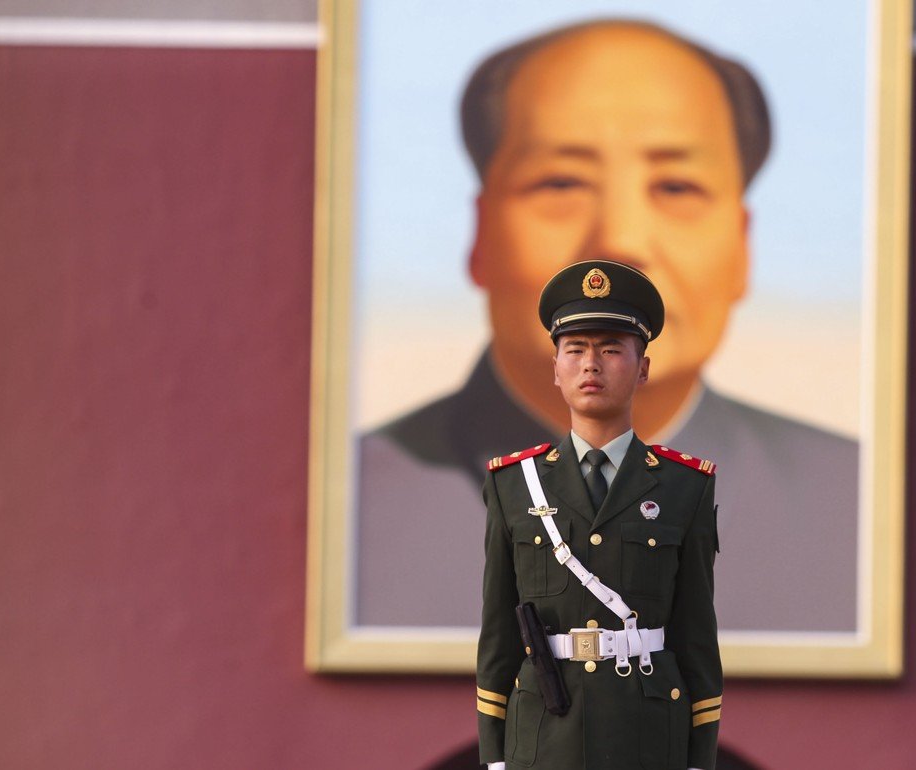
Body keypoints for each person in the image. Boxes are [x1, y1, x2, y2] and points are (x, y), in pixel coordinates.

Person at [356, 19, 859, 632]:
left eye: (677, 186)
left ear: (742, 245)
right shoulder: (356, 504)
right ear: (481, 235)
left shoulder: (852, 506)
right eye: (561, 182)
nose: (619, 239)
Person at [476, 260, 721, 770]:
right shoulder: (513, 485)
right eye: (576, 350)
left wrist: (699, 759)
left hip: (648, 738)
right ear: (556, 367)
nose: (592, 365)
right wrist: (494, 758)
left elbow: (695, 636)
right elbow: (498, 634)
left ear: (643, 367)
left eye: (611, 349)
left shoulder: (684, 487)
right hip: (544, 736)